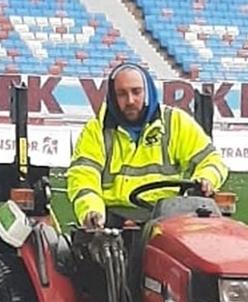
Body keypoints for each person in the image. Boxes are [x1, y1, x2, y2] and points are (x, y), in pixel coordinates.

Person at [67, 63, 229, 229]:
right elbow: (83, 176)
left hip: (169, 218)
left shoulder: (175, 122)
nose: (130, 100)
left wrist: (206, 178)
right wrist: (92, 211)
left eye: (136, 92)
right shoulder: (96, 130)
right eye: (122, 94)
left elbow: (211, 160)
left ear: (148, 91)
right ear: (113, 97)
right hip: (113, 222)